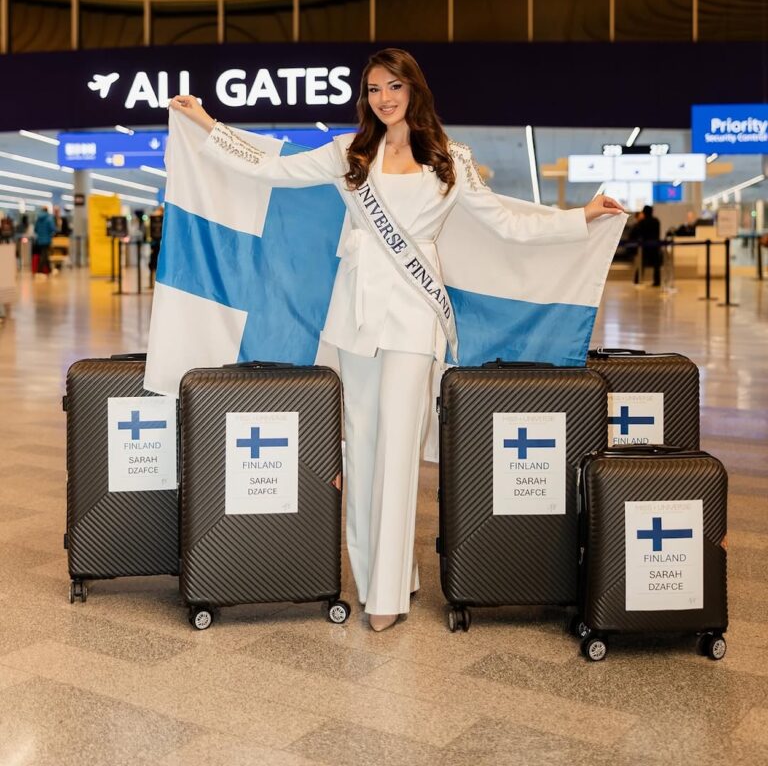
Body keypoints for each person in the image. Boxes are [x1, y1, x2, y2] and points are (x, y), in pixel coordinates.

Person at [170, 48, 623, 632]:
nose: (384, 98)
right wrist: (207, 124)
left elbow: (507, 223)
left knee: (399, 452)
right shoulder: (350, 153)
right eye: (374, 88)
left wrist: (580, 216)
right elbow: (272, 168)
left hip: (414, 317)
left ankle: (388, 594)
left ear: (414, 90)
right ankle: (376, 577)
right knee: (361, 449)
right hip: (356, 316)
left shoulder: (450, 159)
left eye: (394, 86)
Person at [630, 204, 662, 286]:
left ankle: (637, 280)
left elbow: (639, 234)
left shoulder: (642, 222)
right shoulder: (656, 221)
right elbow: (658, 234)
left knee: (642, 263)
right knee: (656, 265)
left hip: (645, 246)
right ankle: (657, 281)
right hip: (655, 246)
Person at [33, 206, 57, 276]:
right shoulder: (49, 218)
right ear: (47, 210)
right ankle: (39, 271)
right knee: (44, 255)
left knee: (44, 254)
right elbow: (53, 228)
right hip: (47, 239)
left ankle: (50, 270)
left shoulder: (38, 219)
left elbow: (35, 230)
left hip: (39, 240)